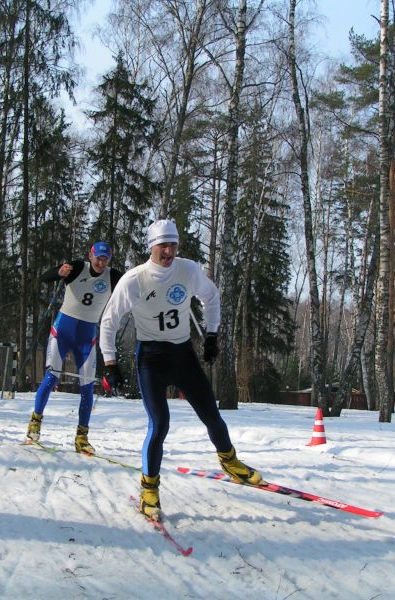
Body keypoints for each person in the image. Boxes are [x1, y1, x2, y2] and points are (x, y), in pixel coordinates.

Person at [99, 219, 261, 522]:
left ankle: (231, 462)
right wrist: (110, 364)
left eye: (174, 244)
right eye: (164, 245)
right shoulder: (135, 279)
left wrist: (212, 335)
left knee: (212, 415)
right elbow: (109, 320)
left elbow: (211, 297)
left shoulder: (188, 270)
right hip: (151, 358)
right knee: (159, 425)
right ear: (152, 247)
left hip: (182, 354)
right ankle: (149, 491)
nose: (170, 251)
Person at [26, 241, 124, 453]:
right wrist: (59, 272)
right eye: (98, 257)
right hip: (63, 332)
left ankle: (82, 436)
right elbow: (46, 276)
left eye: (105, 258)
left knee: (87, 386)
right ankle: (35, 422)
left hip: (87, 336)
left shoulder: (113, 276)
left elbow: (133, 288)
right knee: (52, 377)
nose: (101, 261)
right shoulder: (79, 267)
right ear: (91, 255)